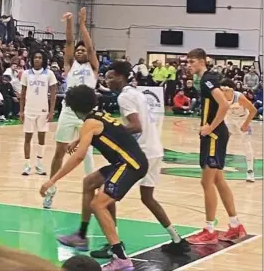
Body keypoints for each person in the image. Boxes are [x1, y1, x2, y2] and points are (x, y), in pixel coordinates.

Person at [86, 61, 189, 259]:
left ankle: (113, 243)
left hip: (140, 154)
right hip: (155, 150)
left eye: (110, 77)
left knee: (104, 195)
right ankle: (177, 239)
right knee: (147, 198)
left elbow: (136, 126)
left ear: (119, 77)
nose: (107, 81)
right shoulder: (136, 92)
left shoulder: (125, 97)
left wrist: (112, 131)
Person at [40, 85, 148, 271]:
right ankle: (81, 236)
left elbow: (79, 157)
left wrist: (53, 180)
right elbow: (111, 133)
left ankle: (121, 259)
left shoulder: (89, 123)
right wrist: (80, 140)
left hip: (130, 165)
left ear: (73, 109)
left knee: (98, 204)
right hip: (126, 162)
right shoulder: (99, 115)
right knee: (89, 182)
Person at [186, 48, 246, 245]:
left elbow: (224, 104)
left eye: (193, 61)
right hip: (213, 135)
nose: (189, 65)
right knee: (219, 181)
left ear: (203, 61)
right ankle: (235, 226)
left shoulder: (207, 79)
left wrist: (210, 127)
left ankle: (209, 230)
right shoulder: (205, 79)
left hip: (213, 135)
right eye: (188, 62)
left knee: (207, 182)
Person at [43, 8, 98, 209]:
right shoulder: (70, 65)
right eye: (78, 50)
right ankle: (51, 190)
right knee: (59, 152)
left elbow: (90, 47)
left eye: (83, 50)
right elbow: (68, 43)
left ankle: (93, 193)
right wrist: (69, 22)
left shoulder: (92, 65)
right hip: (68, 110)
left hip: (87, 113)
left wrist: (82, 24)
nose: (80, 51)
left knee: (87, 154)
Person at [20, 51, 57, 176]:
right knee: (27, 138)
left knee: (41, 138)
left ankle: (39, 164)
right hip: (29, 110)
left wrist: (51, 111)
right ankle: (26, 165)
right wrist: (21, 111)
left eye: (40, 57)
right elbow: (23, 93)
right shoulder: (26, 73)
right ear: (31, 59)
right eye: (35, 57)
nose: (37, 59)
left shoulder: (49, 73)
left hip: (43, 111)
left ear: (43, 60)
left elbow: (53, 94)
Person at [220, 78, 256, 182]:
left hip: (243, 119)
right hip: (229, 119)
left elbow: (253, 110)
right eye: (222, 90)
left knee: (246, 144)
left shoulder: (239, 97)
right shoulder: (221, 97)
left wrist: (246, 124)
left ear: (231, 90)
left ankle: (250, 171)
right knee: (222, 141)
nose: (223, 92)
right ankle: (219, 167)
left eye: (225, 90)